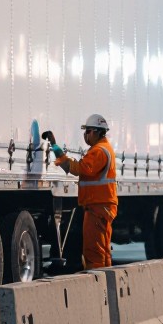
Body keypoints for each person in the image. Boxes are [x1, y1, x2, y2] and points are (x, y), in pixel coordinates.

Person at [51, 114, 118, 270]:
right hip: (102, 206)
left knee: (93, 250)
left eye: (88, 131)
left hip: (97, 206)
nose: (85, 135)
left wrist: (58, 152)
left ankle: (96, 277)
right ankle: (106, 277)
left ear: (97, 132)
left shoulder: (99, 151)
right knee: (103, 250)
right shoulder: (103, 148)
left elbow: (79, 169)